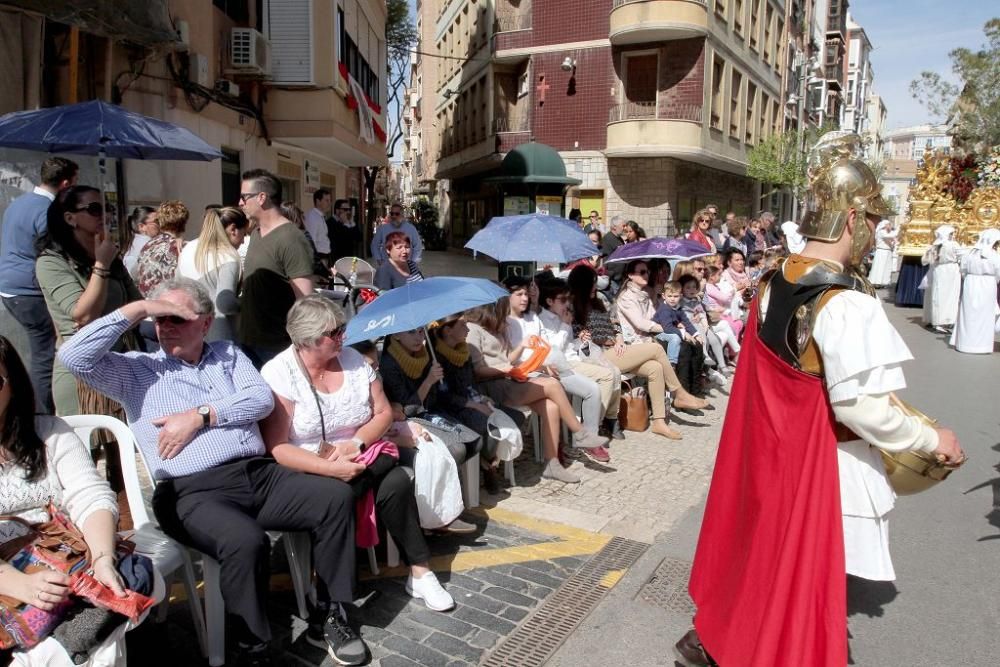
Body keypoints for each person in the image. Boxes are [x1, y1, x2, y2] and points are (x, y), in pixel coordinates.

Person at [680, 133, 965, 667]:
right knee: (802, 583)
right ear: (852, 220)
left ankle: (720, 639)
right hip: (815, 461)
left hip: (772, 452)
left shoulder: (773, 279)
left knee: (758, 557)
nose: (879, 234)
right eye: (875, 222)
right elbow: (861, 407)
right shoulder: (846, 303)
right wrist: (932, 439)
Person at [57, 278, 369, 667]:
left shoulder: (227, 355)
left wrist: (201, 416)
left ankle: (332, 613)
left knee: (334, 497)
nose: (165, 326)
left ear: (205, 323)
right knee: (245, 540)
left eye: (176, 319)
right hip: (191, 491)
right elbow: (74, 357)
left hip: (257, 474)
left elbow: (258, 400)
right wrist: (138, 309)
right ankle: (251, 646)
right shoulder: (137, 372)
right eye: (159, 319)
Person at [0, 337, 157, 666]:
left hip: (64, 560)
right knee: (115, 615)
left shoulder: (48, 432)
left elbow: (90, 494)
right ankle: (54, 651)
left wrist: (102, 559)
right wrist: (21, 584)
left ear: (12, 384)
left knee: (134, 574)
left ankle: (46, 654)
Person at [464, 301, 608, 484]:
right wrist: (504, 370)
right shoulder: (473, 330)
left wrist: (522, 348)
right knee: (552, 385)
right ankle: (580, 433)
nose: (507, 312)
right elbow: (477, 371)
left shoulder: (497, 328)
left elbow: (507, 359)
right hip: (492, 388)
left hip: (509, 381)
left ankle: (552, 464)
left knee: (551, 406)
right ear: (493, 308)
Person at [35, 186, 142, 417]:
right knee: (88, 451)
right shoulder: (52, 262)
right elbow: (83, 315)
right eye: (95, 209)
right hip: (79, 374)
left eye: (108, 208)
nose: (106, 215)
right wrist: (101, 266)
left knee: (124, 449)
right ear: (70, 218)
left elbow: (137, 306)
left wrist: (105, 261)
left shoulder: (111, 257)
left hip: (118, 367)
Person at [569, 264, 709, 441]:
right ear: (582, 284)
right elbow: (575, 335)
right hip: (595, 356)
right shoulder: (572, 306)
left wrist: (618, 339)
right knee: (656, 348)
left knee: (655, 368)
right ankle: (679, 393)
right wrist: (596, 337)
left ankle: (659, 422)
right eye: (592, 283)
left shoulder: (599, 300)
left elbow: (615, 323)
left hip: (615, 348)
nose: (596, 287)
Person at [0, 157, 78, 414]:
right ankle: (42, 414)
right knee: (46, 354)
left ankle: (39, 410)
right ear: (65, 183)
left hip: (11, 289)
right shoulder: (48, 211)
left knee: (42, 351)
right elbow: (55, 251)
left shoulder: (19, 202)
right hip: (29, 291)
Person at [428, 315, 527, 494]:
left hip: (473, 399)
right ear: (448, 331)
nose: (467, 328)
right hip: (455, 408)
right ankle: (489, 467)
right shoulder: (436, 358)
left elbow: (470, 382)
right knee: (490, 427)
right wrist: (472, 405)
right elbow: (443, 397)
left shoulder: (463, 351)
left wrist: (481, 398)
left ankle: (488, 460)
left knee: (517, 417)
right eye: (463, 325)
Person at [238, 169, 316, 368]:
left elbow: (305, 300)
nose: (240, 203)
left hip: (277, 347)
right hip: (250, 341)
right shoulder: (256, 233)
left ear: (262, 197)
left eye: (244, 197)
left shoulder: (290, 239)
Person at [538, 278, 623, 442]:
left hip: (575, 358)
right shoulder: (543, 320)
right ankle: (591, 430)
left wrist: (580, 339)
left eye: (568, 299)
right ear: (549, 301)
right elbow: (553, 350)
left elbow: (568, 344)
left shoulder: (562, 315)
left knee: (615, 371)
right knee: (606, 376)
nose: (567, 303)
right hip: (561, 366)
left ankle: (605, 421)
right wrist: (564, 326)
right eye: (562, 300)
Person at [177, 207, 248, 341]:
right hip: (219, 335)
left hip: (188, 331)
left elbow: (176, 285)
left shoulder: (188, 248)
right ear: (233, 229)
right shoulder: (228, 256)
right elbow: (225, 303)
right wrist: (245, 303)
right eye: (243, 234)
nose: (243, 241)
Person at [949, 228, 1000, 354]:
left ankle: (965, 343)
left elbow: (963, 269)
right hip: (988, 284)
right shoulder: (994, 256)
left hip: (970, 283)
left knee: (968, 313)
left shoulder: (970, 253)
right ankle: (981, 345)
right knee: (985, 315)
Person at [136, 201, 188, 297]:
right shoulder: (181, 248)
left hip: (146, 302)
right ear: (184, 223)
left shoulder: (147, 246)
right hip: (168, 303)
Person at [920, 225, 962, 333]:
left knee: (938, 295)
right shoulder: (953, 244)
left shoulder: (934, 245)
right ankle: (945, 321)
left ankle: (936, 319)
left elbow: (925, 260)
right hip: (950, 270)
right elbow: (962, 256)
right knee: (950, 296)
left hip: (938, 270)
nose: (953, 235)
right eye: (951, 234)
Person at [122, 206, 158, 279]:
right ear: (141, 226)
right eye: (156, 221)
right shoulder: (147, 246)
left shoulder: (136, 243)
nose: (161, 224)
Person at [327, 199, 362, 263]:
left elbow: (359, 238)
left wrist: (352, 224)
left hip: (350, 259)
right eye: (345, 209)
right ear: (337, 210)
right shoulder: (330, 223)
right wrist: (346, 223)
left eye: (349, 209)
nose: (348, 212)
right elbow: (341, 240)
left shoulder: (349, 222)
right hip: (337, 260)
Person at [867, 218, 898, 287]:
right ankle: (877, 282)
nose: (890, 226)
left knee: (886, 268)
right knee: (880, 267)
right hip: (881, 252)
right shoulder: (881, 231)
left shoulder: (887, 232)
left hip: (887, 252)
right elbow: (889, 236)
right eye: (889, 224)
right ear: (885, 225)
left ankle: (884, 282)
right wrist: (899, 230)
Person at [304, 189, 332, 262]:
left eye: (329, 200)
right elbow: (311, 241)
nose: (329, 203)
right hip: (319, 257)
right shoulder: (312, 217)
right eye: (326, 200)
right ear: (318, 201)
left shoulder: (320, 216)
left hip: (325, 256)